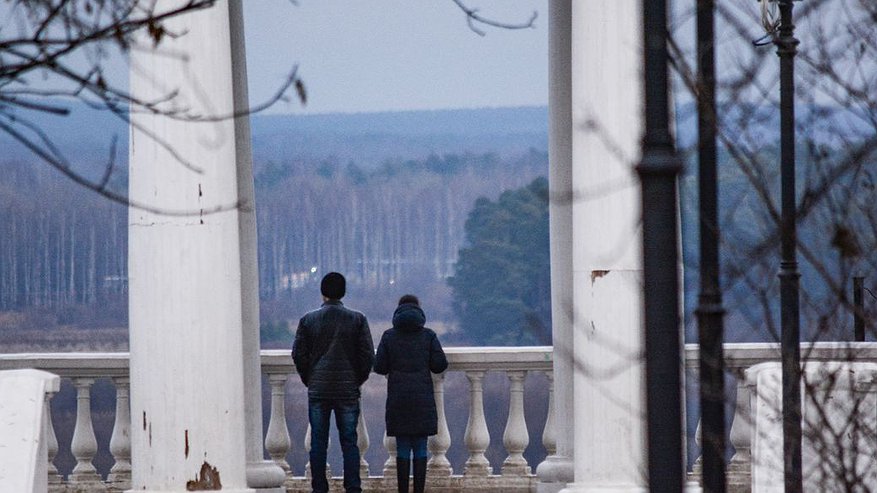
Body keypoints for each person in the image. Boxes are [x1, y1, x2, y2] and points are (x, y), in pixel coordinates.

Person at [292, 272, 374, 493]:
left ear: (323, 292)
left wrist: (309, 378)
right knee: (350, 441)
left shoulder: (308, 320)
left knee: (318, 442)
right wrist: (357, 379)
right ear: (343, 292)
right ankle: (353, 487)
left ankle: (319, 487)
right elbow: (367, 356)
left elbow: (298, 354)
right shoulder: (357, 319)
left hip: (318, 388)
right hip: (347, 389)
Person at [374, 294, 449, 493]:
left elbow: (379, 366)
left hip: (398, 399)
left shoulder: (389, 336)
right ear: (419, 310)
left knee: (403, 448)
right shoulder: (428, 335)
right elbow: (439, 365)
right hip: (422, 398)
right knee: (421, 448)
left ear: (398, 311)